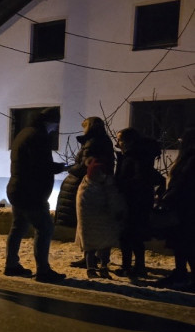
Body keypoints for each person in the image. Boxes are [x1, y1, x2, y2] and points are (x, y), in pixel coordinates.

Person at [4, 107, 68, 283]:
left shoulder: (24, 133)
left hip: (17, 188)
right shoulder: (38, 137)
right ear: (50, 122)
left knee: (18, 227)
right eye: (55, 124)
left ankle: (11, 265)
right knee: (45, 228)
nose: (55, 128)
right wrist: (62, 167)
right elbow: (41, 165)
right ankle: (43, 271)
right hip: (31, 191)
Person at [57, 117, 115, 268]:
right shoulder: (104, 141)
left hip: (89, 187)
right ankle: (94, 257)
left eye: (84, 127)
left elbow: (84, 166)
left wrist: (68, 168)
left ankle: (91, 258)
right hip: (99, 186)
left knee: (87, 225)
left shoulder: (92, 143)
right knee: (93, 225)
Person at [114, 128, 165, 277]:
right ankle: (136, 266)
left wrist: (122, 184)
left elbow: (139, 179)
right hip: (140, 200)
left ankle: (130, 267)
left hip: (133, 201)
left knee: (128, 235)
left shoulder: (135, 156)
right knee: (134, 235)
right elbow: (155, 178)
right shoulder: (140, 155)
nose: (118, 143)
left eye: (120, 140)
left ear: (129, 141)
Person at [74, 147, 125, 278]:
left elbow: (80, 204)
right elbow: (113, 200)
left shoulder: (84, 184)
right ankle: (103, 267)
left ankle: (91, 268)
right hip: (104, 221)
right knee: (104, 245)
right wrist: (118, 212)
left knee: (90, 245)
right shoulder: (107, 185)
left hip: (88, 222)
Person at [159, 128, 195, 289]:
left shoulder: (190, 159)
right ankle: (180, 273)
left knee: (186, 243)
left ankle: (187, 277)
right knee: (181, 244)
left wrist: (169, 197)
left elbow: (183, 182)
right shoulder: (188, 158)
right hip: (182, 207)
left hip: (186, 208)